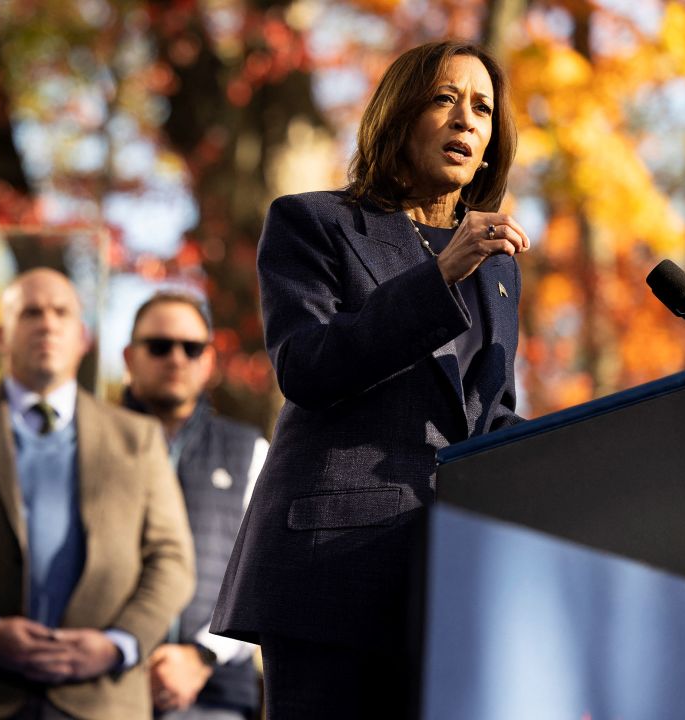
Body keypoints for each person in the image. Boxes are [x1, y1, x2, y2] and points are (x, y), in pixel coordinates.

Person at [211, 40, 531, 719]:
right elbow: (308, 367)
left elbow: (492, 419)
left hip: (450, 580)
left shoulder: (498, 267)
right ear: (399, 115)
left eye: (482, 108)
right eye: (444, 99)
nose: (465, 121)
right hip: (332, 572)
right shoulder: (314, 223)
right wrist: (439, 278)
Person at [0, 268, 196, 720]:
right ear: (1, 335)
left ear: (83, 337)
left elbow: (172, 560)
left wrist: (116, 644)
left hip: (103, 696)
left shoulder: (137, 438)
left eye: (61, 312)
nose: (47, 324)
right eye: (30, 313)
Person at [120, 291, 265, 720]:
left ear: (208, 361)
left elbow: (261, 574)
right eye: (159, 346)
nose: (176, 358)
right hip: (107, 690)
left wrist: (201, 657)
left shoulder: (249, 449)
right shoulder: (91, 445)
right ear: (129, 356)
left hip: (214, 696)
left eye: (192, 347)